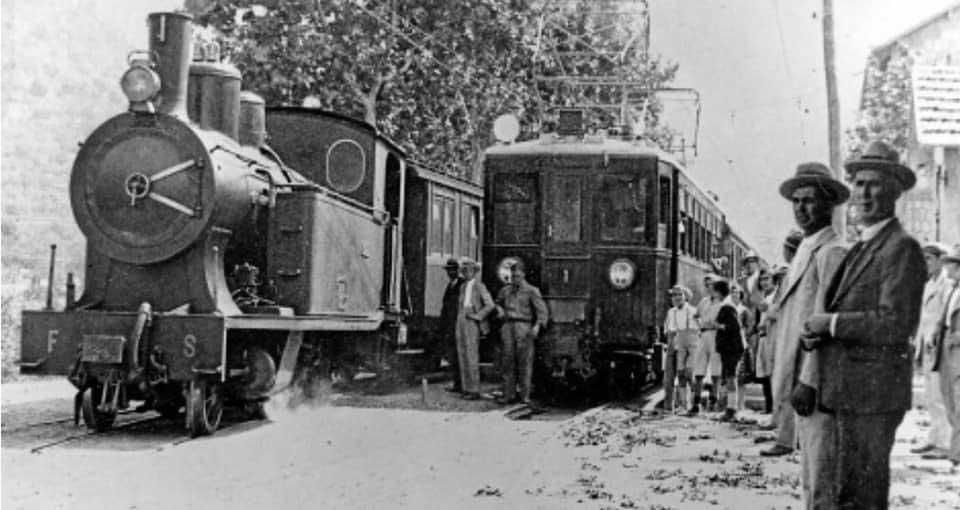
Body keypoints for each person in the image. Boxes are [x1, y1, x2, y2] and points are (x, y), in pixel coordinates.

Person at [800, 141, 926, 509]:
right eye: (858, 184)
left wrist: (832, 323)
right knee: (847, 492)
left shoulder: (901, 248)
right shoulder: (865, 246)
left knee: (862, 496)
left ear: (895, 190)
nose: (865, 193)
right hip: (850, 391)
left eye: (875, 183)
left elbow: (895, 323)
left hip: (874, 395)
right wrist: (818, 333)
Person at [761, 163, 849, 472]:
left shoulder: (833, 251)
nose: (801, 208)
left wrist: (809, 380)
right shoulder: (804, 248)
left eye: (809, 200)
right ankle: (786, 437)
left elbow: (829, 323)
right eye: (796, 201)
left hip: (812, 377)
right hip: (791, 367)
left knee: (821, 471)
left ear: (828, 204)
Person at [910, 242, 952, 458]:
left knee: (939, 395)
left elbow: (944, 319)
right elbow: (923, 318)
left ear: (939, 260)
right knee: (930, 394)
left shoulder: (947, 285)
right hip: (926, 345)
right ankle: (935, 438)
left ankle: (944, 443)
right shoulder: (928, 285)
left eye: (928, 259)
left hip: (939, 347)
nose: (925, 264)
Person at [496, 258, 549, 405]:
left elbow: (542, 311)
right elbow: (497, 302)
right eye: (513, 276)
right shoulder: (505, 290)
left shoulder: (532, 291)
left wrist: (537, 326)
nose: (515, 279)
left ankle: (525, 396)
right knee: (507, 361)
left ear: (523, 275)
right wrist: (499, 309)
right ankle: (508, 394)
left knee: (524, 363)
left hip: (524, 327)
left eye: (518, 276)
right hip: (508, 326)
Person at [932, 245, 960, 466]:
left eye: (950, 263)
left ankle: (957, 452)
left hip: (956, 350)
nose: (946, 267)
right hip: (946, 350)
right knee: (948, 397)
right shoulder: (952, 289)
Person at [455, 258, 495, 400]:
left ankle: (474, 389)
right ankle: (466, 388)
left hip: (472, 320)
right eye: (464, 271)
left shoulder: (479, 286)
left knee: (471, 355)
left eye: (469, 271)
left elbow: (490, 304)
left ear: (474, 272)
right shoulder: (462, 287)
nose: (466, 273)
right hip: (461, 319)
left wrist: (479, 316)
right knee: (462, 353)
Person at [690, 274, 723, 414]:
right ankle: (696, 402)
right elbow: (695, 316)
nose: (709, 287)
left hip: (716, 335)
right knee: (699, 370)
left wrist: (717, 325)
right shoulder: (703, 302)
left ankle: (714, 401)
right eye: (706, 285)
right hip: (703, 335)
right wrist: (700, 325)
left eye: (711, 284)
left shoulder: (722, 302)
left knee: (716, 370)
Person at [663, 285, 700, 413]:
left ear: (686, 296)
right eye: (674, 295)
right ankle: (670, 407)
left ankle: (694, 404)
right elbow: (668, 331)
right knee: (670, 378)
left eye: (679, 294)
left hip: (689, 345)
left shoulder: (693, 311)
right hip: (674, 344)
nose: (676, 297)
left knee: (689, 374)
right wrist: (671, 345)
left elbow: (698, 330)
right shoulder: (670, 312)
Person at [713, 279, 745, 422]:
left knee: (731, 378)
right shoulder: (727, 305)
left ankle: (732, 410)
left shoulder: (726, 307)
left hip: (732, 348)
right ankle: (730, 408)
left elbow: (734, 327)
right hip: (730, 348)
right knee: (729, 378)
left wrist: (718, 326)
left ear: (718, 292)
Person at [753, 268, 777, 414]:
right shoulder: (763, 297)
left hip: (772, 336)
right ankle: (768, 406)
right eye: (762, 279)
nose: (764, 282)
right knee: (764, 372)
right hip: (763, 337)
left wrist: (767, 317)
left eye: (767, 279)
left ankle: (774, 407)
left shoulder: (776, 297)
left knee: (772, 371)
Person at [439, 258, 464, 392]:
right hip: (450, 326)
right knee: (453, 357)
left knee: (459, 356)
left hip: (457, 325)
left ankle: (460, 384)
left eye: (452, 270)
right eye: (448, 270)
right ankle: (457, 384)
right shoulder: (450, 285)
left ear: (457, 270)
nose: (450, 273)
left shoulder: (462, 285)